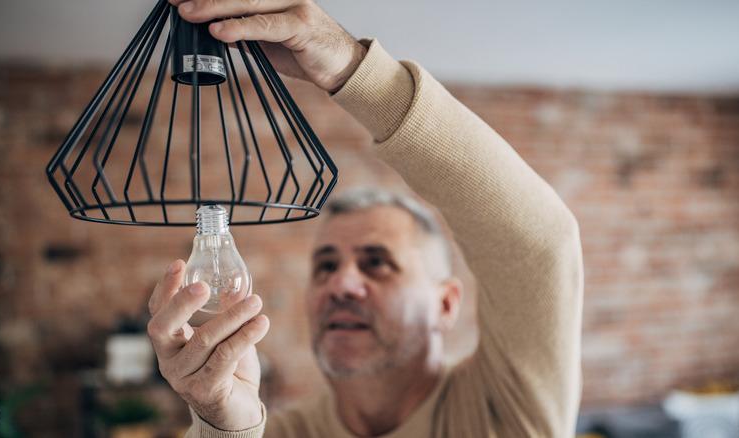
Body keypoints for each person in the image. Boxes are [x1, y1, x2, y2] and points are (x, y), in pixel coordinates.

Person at [146, 0, 585, 436]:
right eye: (326, 266)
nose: (340, 284)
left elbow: (537, 243)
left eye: (377, 262)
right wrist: (224, 426)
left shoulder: (502, 413)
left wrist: (354, 71)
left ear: (446, 304)